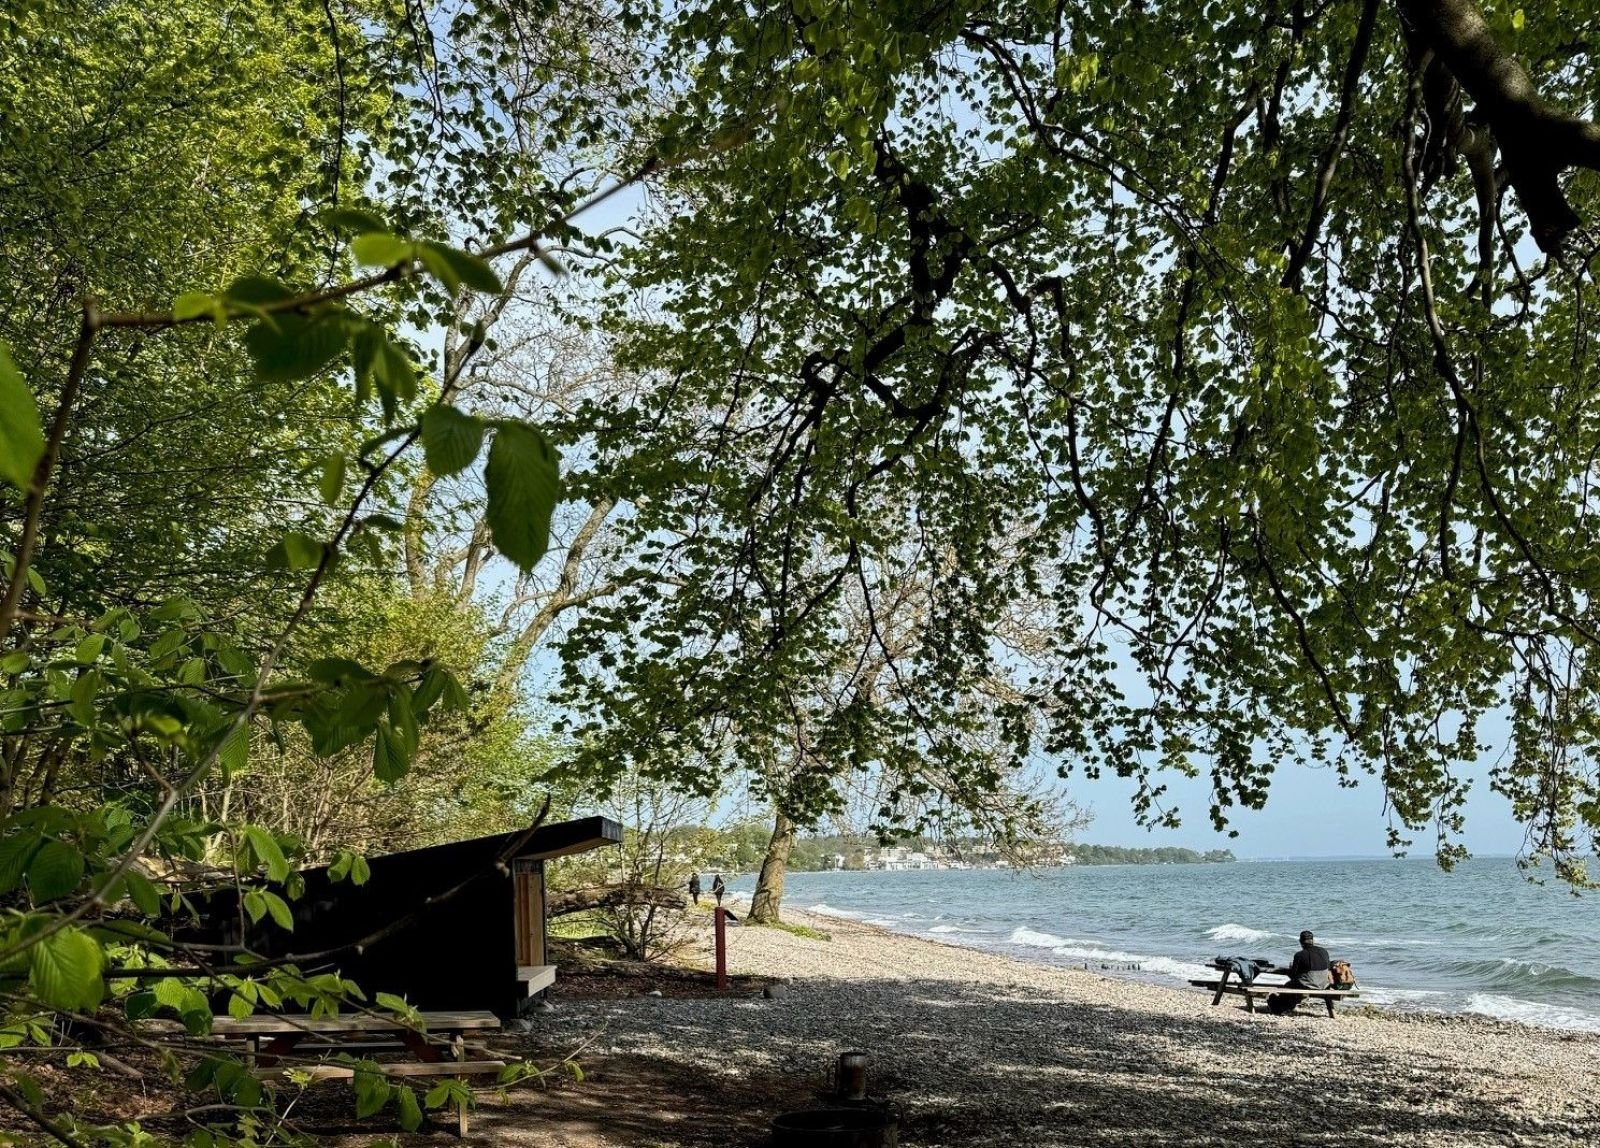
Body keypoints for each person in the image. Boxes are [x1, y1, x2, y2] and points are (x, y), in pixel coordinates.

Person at [1266, 929, 1331, 1015]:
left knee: (1289, 985)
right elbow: (1328, 967)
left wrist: (1286, 971)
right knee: (1294, 984)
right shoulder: (1324, 951)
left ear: (1301, 942)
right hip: (1324, 984)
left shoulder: (1299, 955)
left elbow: (1293, 974)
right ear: (1312, 940)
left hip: (1308, 986)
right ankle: (1331, 1010)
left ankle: (1282, 1008)